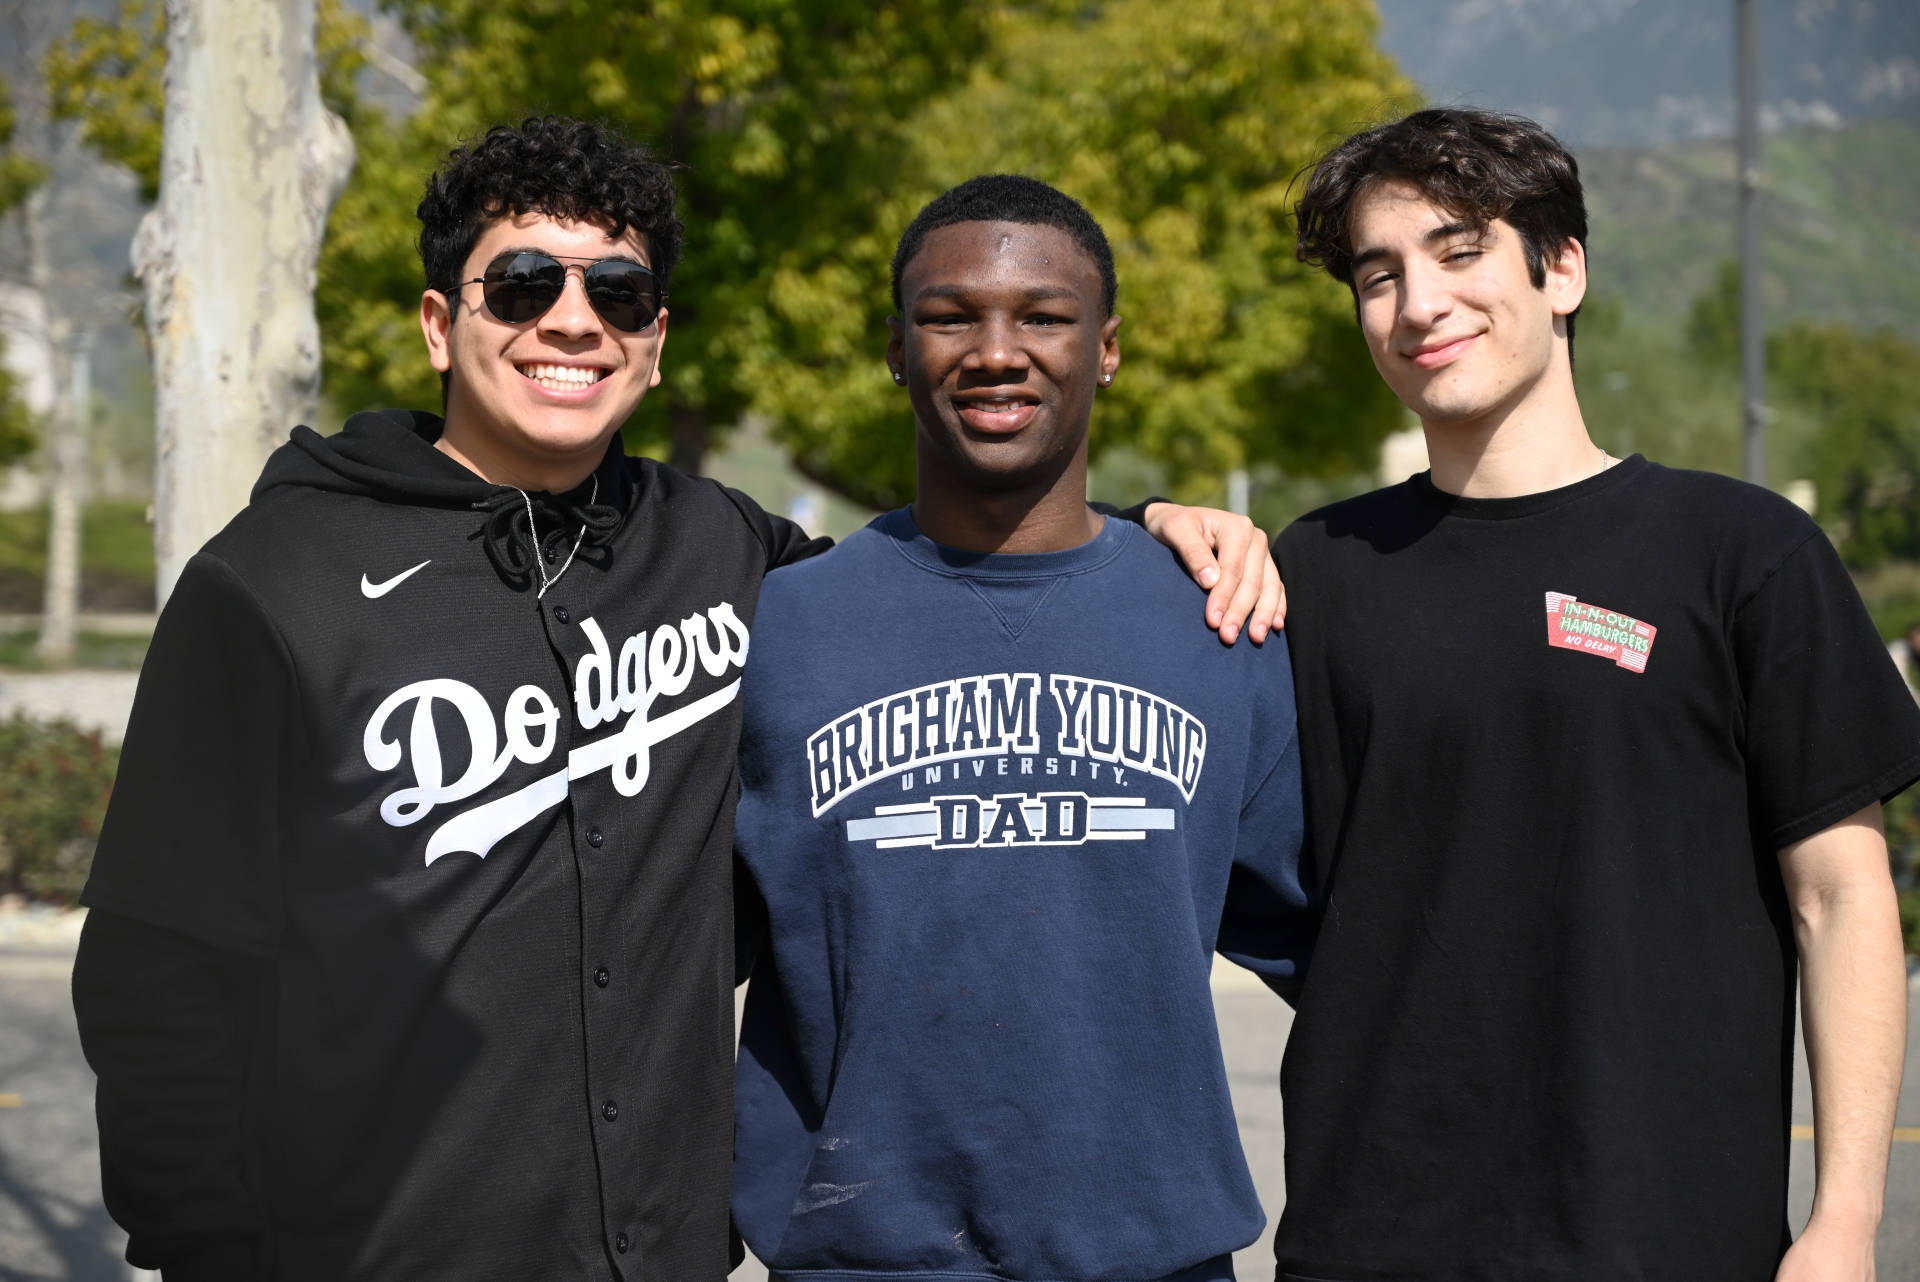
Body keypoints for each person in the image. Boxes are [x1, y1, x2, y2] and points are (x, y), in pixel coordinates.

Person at [69, 119, 1280, 1281]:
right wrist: (207, 1251)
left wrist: (1150, 536)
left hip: (664, 1257)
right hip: (374, 1251)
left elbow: (956, 576)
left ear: (654, 340)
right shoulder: (273, 582)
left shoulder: (721, 551)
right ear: (442, 323)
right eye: (524, 285)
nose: (572, 322)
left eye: (618, 295)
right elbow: (160, 969)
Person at [1271, 107, 1917, 1281]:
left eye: (1459, 250)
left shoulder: (1744, 552)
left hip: (1668, 1234)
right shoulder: (1310, 569)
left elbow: (1842, 899)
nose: (1419, 304)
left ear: (1562, 268)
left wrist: (1846, 1220)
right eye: (1380, 275)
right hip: (1374, 1238)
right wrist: (1167, 521)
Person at [730, 175, 1315, 1282]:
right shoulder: (785, 625)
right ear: (898, 350)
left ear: (1107, 349)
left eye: (1044, 316)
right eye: (950, 315)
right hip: (860, 1260)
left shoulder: (1220, 622)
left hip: (1152, 1261)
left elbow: (1346, 952)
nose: (997, 350)